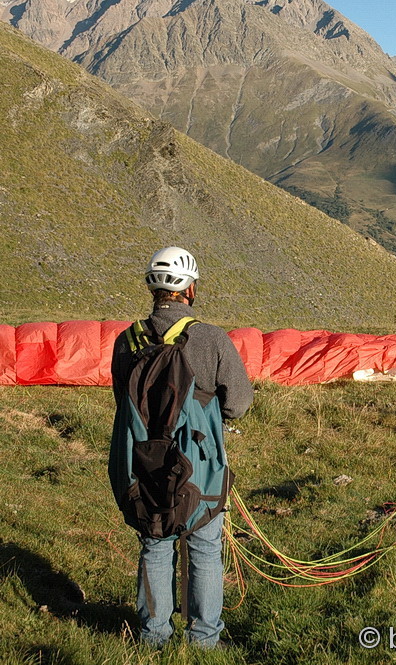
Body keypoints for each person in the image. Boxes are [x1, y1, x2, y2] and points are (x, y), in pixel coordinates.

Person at [110, 246, 253, 648]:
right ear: (189, 289)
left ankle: (153, 637)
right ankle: (204, 639)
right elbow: (239, 402)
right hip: (198, 463)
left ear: (152, 289)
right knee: (204, 547)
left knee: (155, 543)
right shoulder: (210, 338)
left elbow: (122, 399)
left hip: (143, 463)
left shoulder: (126, 341)